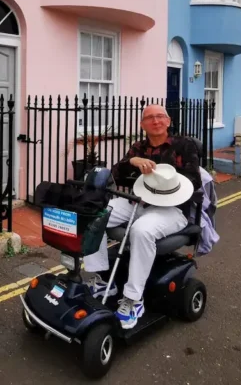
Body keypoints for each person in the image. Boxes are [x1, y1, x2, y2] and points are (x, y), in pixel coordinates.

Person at [84, 104, 201, 330]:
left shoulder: (184, 146)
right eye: (150, 118)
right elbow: (117, 175)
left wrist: (163, 176)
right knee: (95, 213)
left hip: (171, 209)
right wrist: (133, 162)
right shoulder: (138, 147)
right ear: (142, 124)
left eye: (160, 116)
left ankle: (133, 299)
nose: (155, 121)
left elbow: (193, 180)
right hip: (137, 203)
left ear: (168, 121)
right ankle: (100, 279)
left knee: (141, 230)